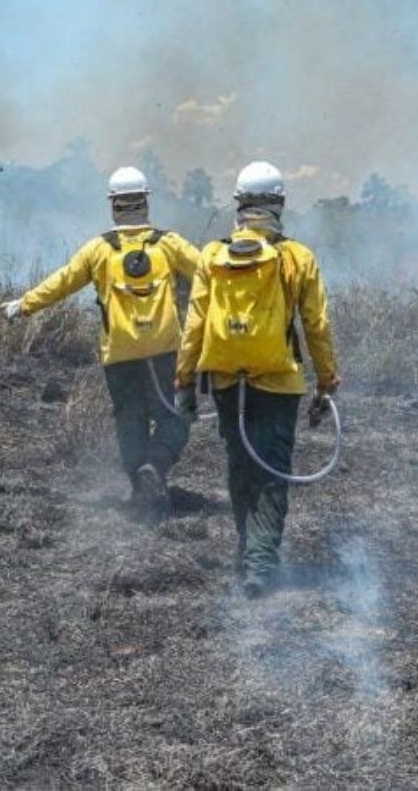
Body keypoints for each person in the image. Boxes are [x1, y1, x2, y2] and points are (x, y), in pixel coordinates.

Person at [176, 161, 339, 598]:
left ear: (240, 205)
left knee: (240, 465)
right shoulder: (296, 257)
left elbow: (195, 324)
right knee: (272, 470)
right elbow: (316, 325)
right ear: (279, 204)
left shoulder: (213, 255)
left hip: (228, 381)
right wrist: (327, 384)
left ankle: (247, 553)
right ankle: (261, 564)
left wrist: (183, 382)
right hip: (280, 382)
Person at [1, 167, 200, 518]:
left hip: (119, 355)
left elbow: (61, 282)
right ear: (145, 202)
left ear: (114, 206)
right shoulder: (168, 244)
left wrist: (24, 305)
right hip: (165, 351)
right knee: (176, 417)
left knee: (130, 420)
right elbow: (210, 272)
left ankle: (141, 490)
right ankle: (155, 468)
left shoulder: (99, 249)